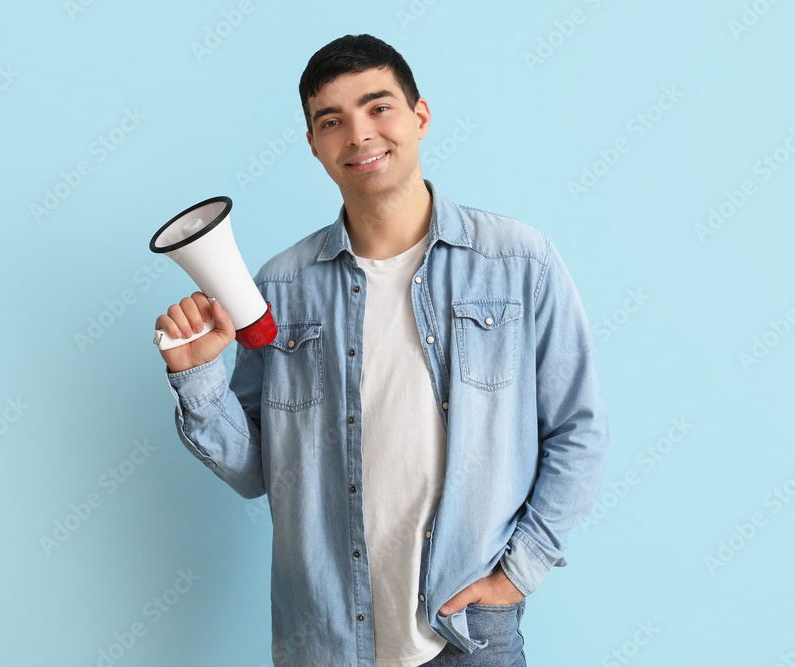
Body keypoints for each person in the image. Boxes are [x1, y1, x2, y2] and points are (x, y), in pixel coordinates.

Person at [155, 33, 609, 667]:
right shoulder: (280, 288)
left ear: (420, 117)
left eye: (379, 107)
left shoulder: (516, 262)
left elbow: (578, 429)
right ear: (314, 145)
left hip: (470, 632)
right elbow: (256, 472)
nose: (359, 134)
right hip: (324, 635)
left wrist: (517, 575)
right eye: (332, 121)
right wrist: (198, 375)